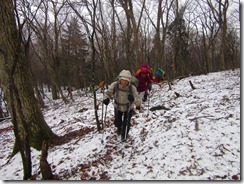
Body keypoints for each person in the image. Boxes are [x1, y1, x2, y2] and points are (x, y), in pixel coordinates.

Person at [103, 70, 141, 142]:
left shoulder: (132, 88)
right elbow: (108, 93)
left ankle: (124, 136)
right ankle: (119, 128)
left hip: (128, 107)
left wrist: (133, 100)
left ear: (129, 81)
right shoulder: (115, 85)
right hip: (118, 106)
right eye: (122, 80)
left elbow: (138, 100)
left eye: (126, 81)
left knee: (126, 123)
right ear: (120, 79)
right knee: (118, 122)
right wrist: (106, 99)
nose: (124, 82)